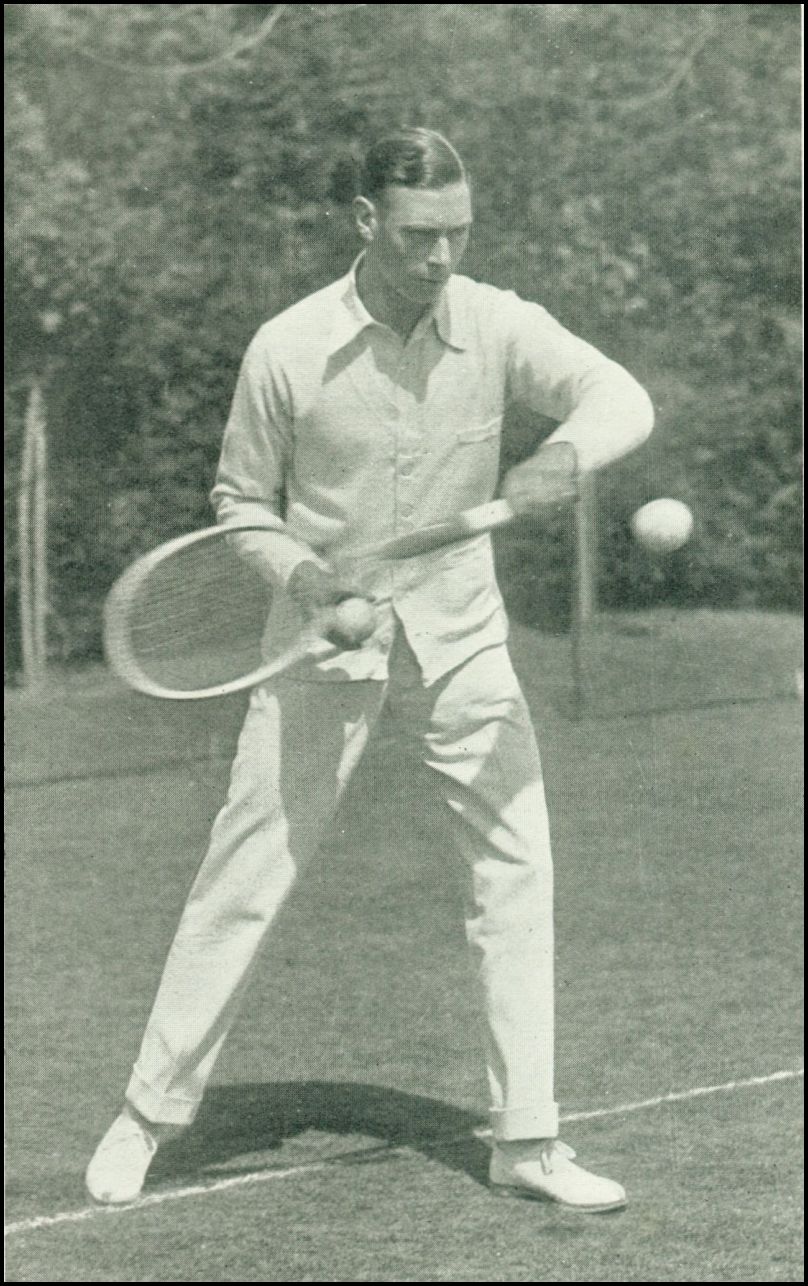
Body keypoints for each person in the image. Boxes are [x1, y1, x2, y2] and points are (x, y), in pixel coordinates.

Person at [86, 127, 653, 1212]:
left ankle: (525, 1139)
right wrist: (311, 588)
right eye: (418, 234)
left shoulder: (495, 320)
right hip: (321, 644)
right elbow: (242, 505)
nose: (441, 256)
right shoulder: (286, 348)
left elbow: (620, 398)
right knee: (245, 875)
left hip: (464, 638)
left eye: (458, 232)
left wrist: (559, 455)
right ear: (364, 221)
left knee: (516, 869)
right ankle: (150, 1114)